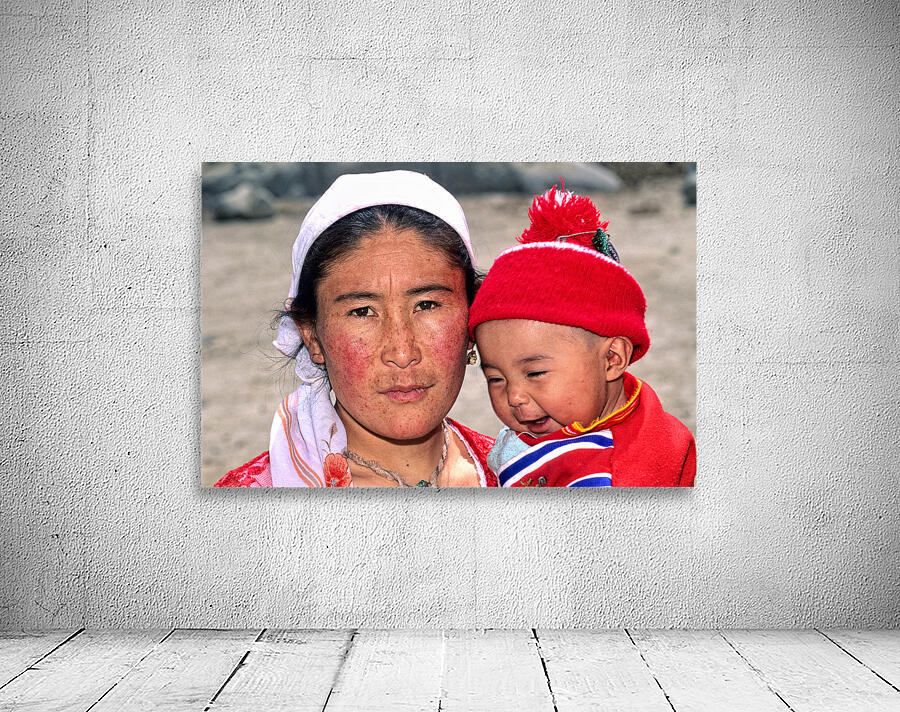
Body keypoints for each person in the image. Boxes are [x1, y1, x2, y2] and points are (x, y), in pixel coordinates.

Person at [215, 170, 496, 487]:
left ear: (471, 316)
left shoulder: (525, 475)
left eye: (427, 305)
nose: (402, 352)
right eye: (362, 311)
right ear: (311, 335)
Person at [467, 185, 695, 487]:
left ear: (612, 358)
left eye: (535, 372)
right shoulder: (591, 414)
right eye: (496, 378)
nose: (514, 396)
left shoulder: (615, 476)